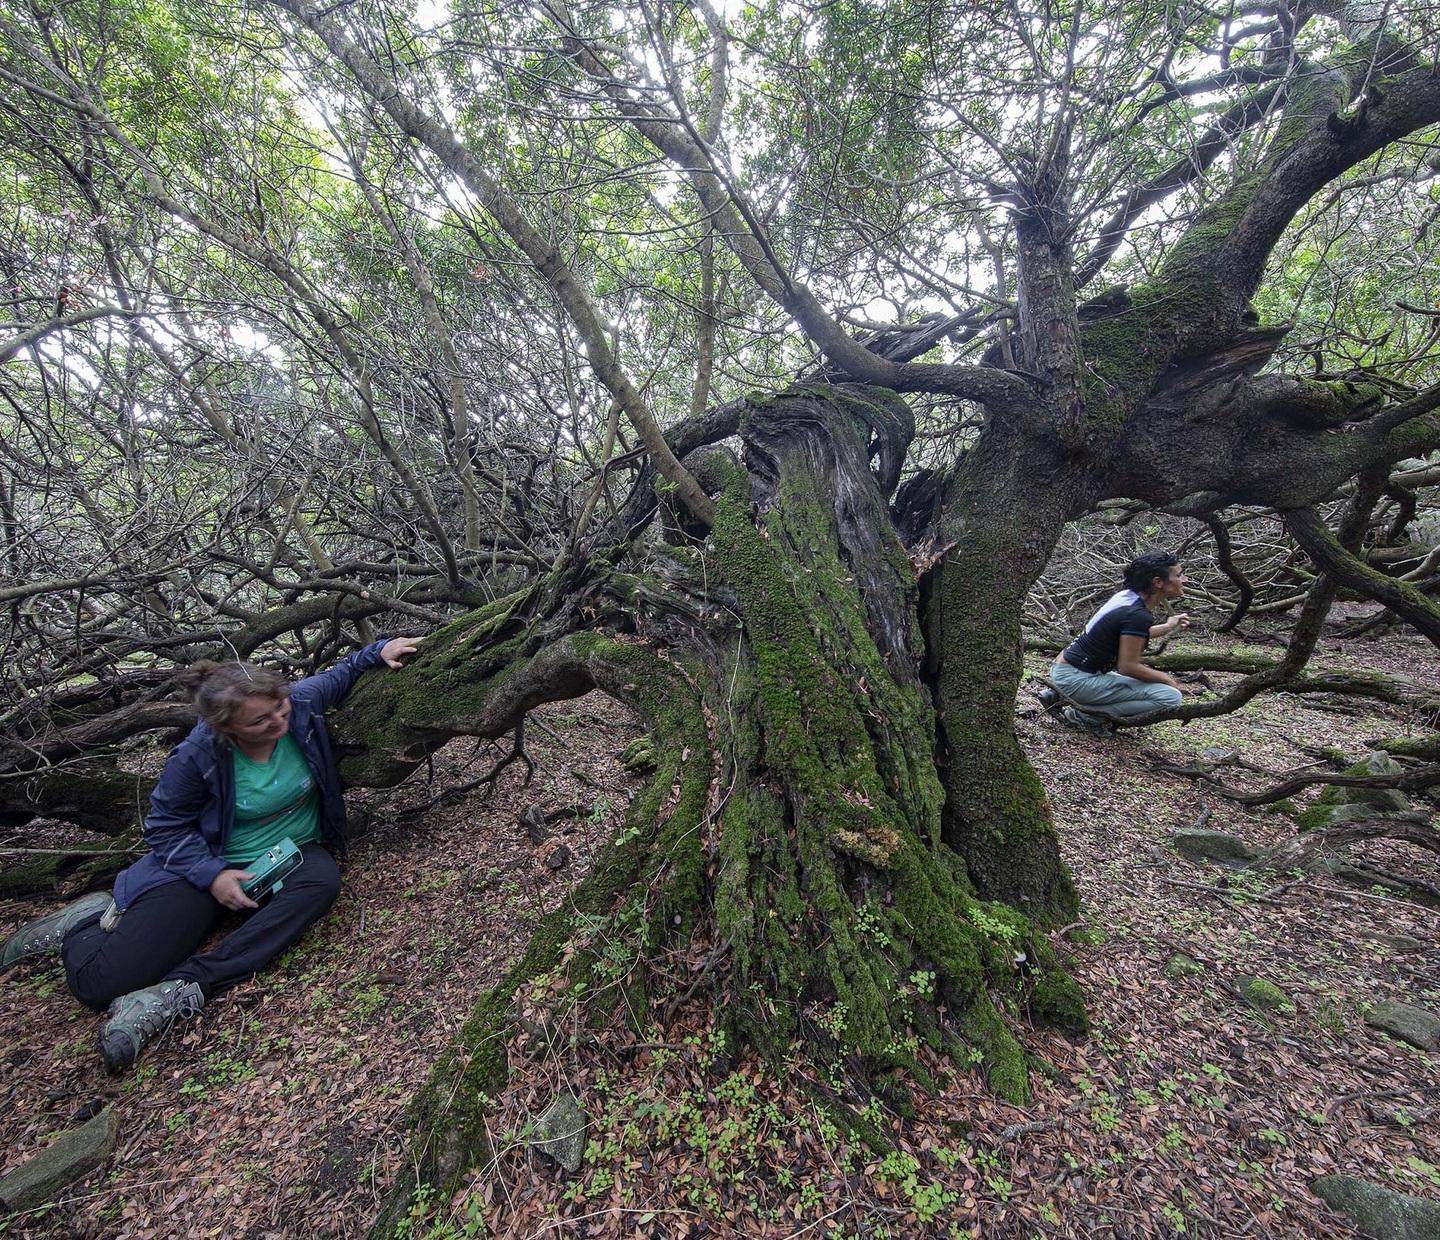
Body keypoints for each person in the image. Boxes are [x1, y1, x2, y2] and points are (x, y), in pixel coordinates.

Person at [1, 635, 420, 1071]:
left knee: (322, 881)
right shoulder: (198, 755)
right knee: (100, 983)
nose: (278, 721)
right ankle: (82, 923)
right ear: (226, 728)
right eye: (261, 720)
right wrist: (214, 876)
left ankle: (182, 987)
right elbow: (164, 827)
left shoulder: (300, 705)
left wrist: (381, 649)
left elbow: (342, 673)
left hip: (288, 854)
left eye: (281, 708)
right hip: (208, 865)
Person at [1042, 551, 1189, 732]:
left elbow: (1131, 636)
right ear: (1158, 582)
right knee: (1170, 697)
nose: (1185, 579)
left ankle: (1061, 696)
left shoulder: (1127, 598)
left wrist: (1168, 626)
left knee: (1152, 686)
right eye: (1179, 575)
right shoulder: (1136, 615)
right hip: (1077, 678)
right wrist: (1168, 679)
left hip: (1067, 670)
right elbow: (1128, 667)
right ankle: (1086, 716)